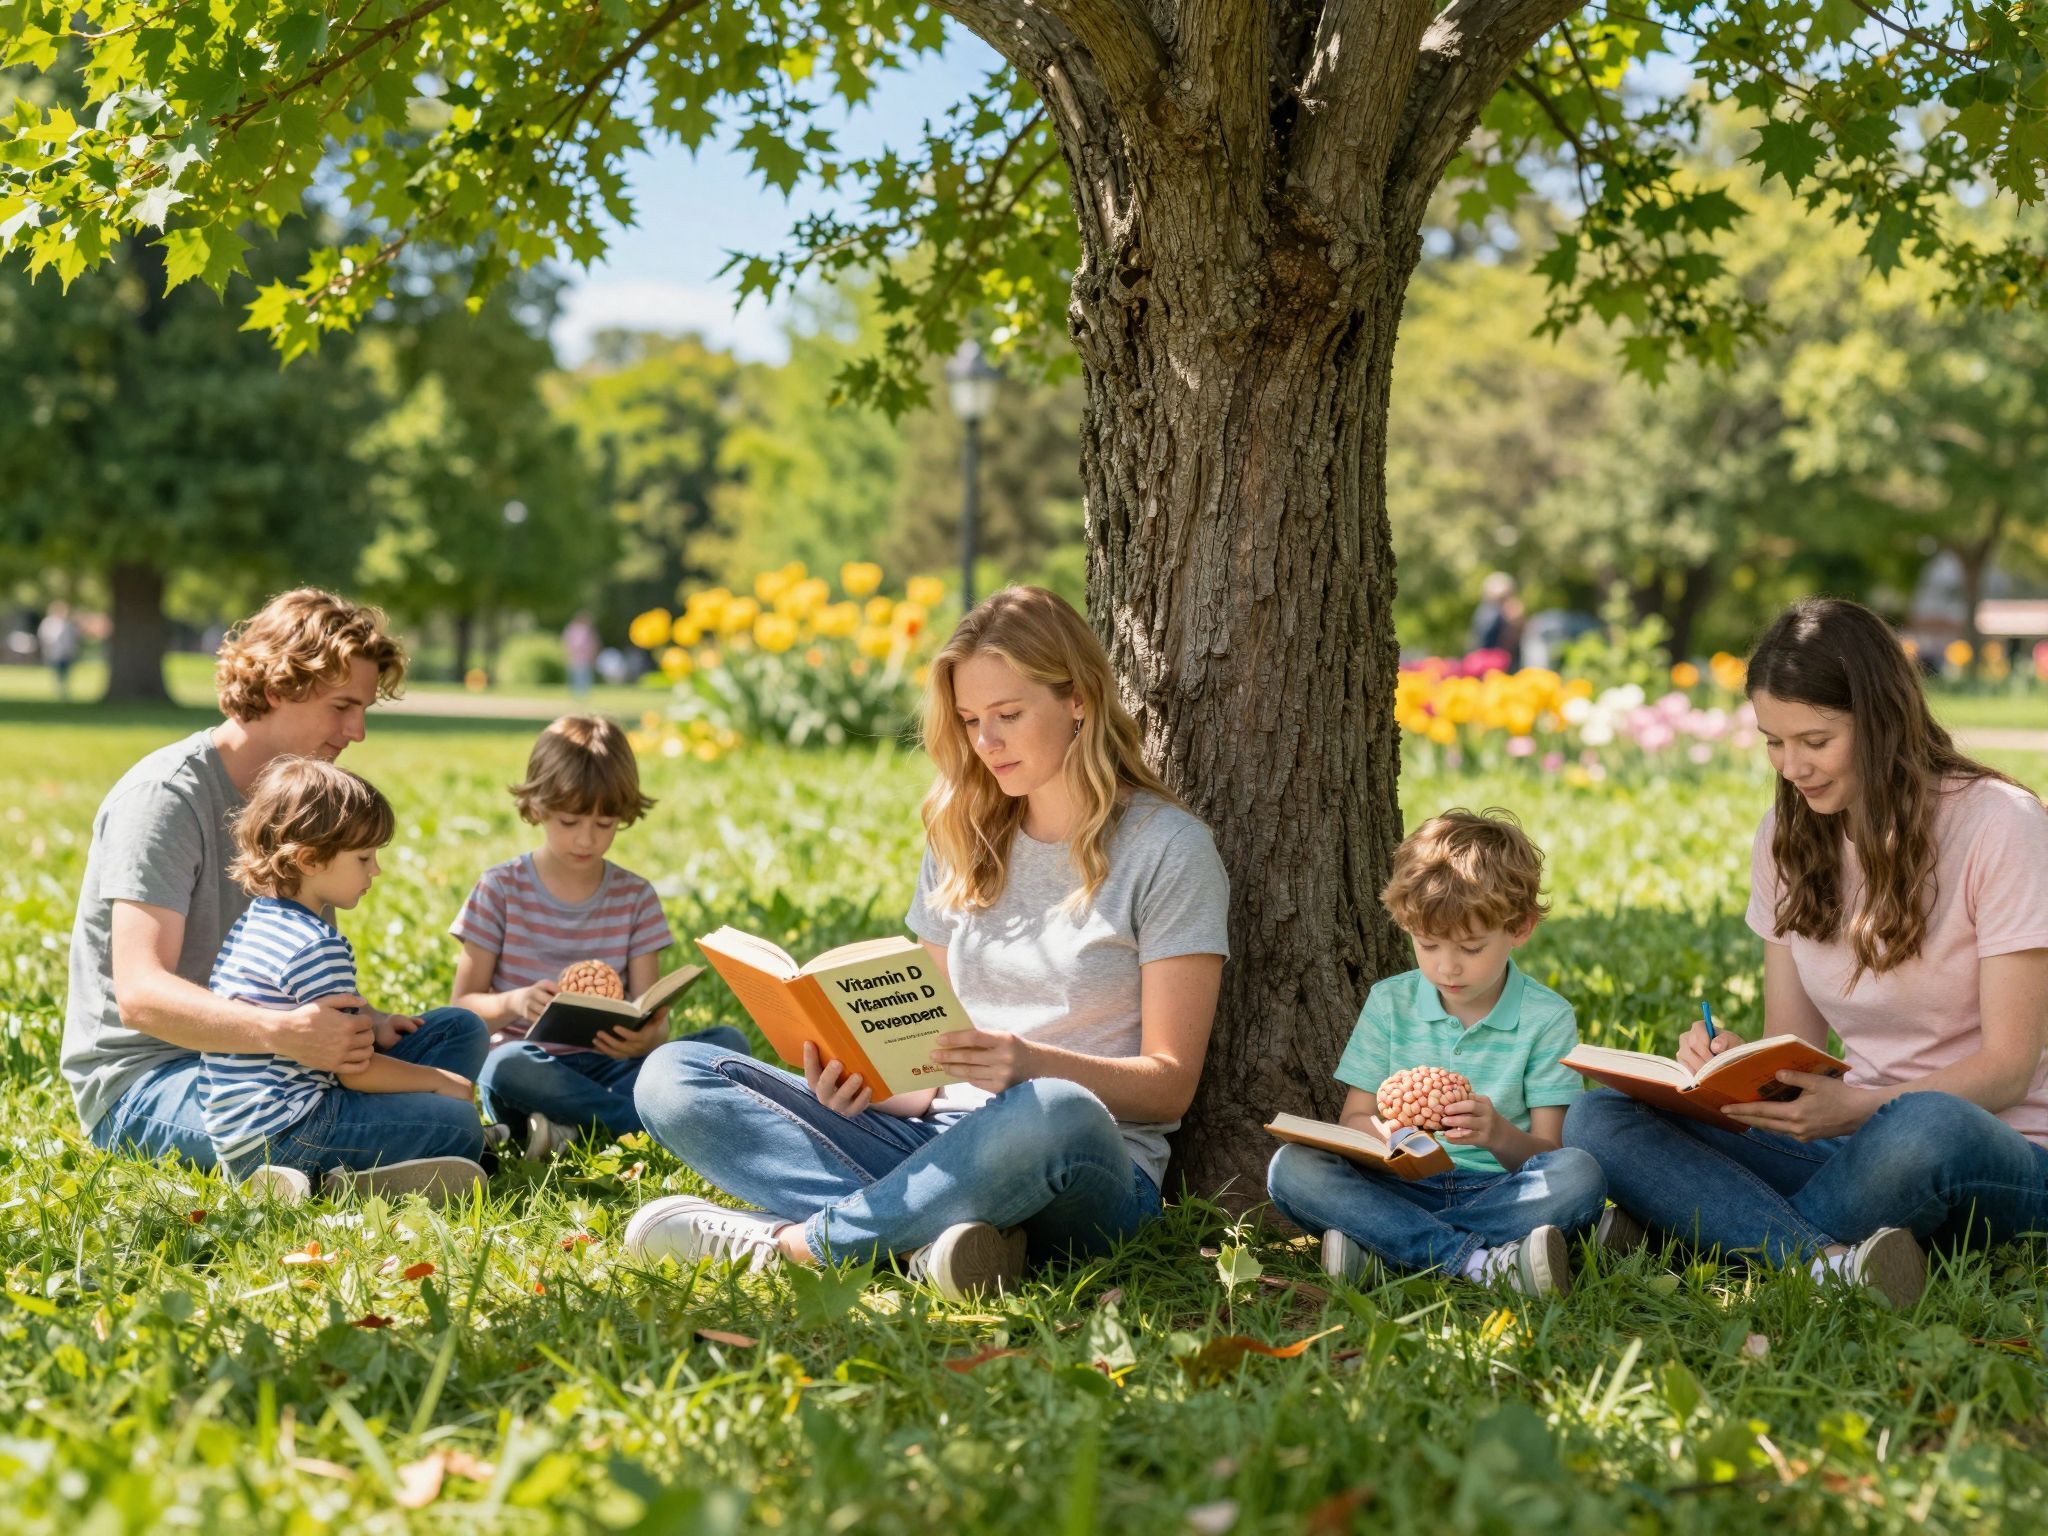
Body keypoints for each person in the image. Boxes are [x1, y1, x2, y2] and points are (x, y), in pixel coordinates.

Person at [622, 586, 1229, 1300]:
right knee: (674, 1076)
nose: (986, 742)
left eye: (1007, 715)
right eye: (971, 720)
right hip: (933, 1138)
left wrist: (1027, 1064)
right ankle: (951, 1239)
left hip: (1082, 1166)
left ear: (1079, 701)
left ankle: (798, 1247)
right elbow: (923, 1059)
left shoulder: (1168, 849)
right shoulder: (964, 838)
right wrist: (867, 1083)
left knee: (1053, 1107)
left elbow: (1171, 1084)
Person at [1566, 598, 2048, 1308]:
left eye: (1815, 741)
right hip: (1848, 1142)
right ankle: (1824, 1264)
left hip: (1987, 1148)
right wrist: (1733, 1068)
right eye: (1773, 741)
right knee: (1598, 1117)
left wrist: (1860, 1110)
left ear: (1881, 722)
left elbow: (2009, 1070)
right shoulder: (1787, 836)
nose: (1792, 766)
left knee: (1920, 1129)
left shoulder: (1999, 824)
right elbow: (1791, 1051)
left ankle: (1701, 1232)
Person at [63, 589, 490, 1170]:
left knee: (457, 1035)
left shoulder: (305, 805)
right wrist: (283, 1033)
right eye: (342, 706)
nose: (358, 731)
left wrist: (365, 1024)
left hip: (278, 1063)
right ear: (276, 689)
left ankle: (350, 1156)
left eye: (363, 708)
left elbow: (297, 981)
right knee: (450, 1120)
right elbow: (141, 995)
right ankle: (361, 1155)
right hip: (153, 1081)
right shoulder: (165, 798)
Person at [1266, 810, 1605, 1296]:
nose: (1447, 967)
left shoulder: (1546, 1017)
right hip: (1396, 1186)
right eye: (1427, 945)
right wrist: (1385, 1136)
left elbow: (1551, 1152)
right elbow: (1355, 1117)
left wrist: (1498, 1135)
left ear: (1520, 928)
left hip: (1497, 1191)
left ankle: (1386, 1246)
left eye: (1470, 947)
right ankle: (1484, 1262)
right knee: (1292, 1167)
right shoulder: (1390, 1001)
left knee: (1579, 1176)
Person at [455, 715, 746, 1159]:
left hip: (616, 1066)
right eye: (570, 821)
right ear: (538, 807)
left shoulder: (636, 897)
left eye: (604, 823)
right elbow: (462, 1008)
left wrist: (650, 1037)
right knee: (502, 1065)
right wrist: (515, 1002)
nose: (586, 839)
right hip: (536, 1067)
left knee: (729, 1044)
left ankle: (571, 1129)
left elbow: (649, 1007)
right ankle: (650, 1122)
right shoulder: (500, 889)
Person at [204, 758, 486, 1201]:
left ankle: (366, 1168)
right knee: (459, 1123)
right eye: (364, 858)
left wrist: (376, 1026)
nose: (375, 871)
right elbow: (356, 1072)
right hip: (293, 1132)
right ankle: (338, 1182)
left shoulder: (255, 921)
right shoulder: (315, 944)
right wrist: (440, 1083)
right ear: (310, 859)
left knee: (459, 1028)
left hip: (245, 1135)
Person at [37, 600, 80, 699]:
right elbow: (45, 637)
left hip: (67, 652)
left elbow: (73, 638)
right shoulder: (49, 623)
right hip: (55, 652)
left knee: (66, 672)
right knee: (57, 672)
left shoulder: (68, 623)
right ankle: (58, 690)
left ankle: (64, 690)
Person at [562, 612, 600, 699]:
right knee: (575, 676)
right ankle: (575, 694)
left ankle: (583, 694)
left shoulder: (589, 631)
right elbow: (566, 643)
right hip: (574, 657)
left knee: (584, 677)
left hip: (586, 658)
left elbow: (594, 644)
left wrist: (593, 654)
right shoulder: (572, 629)